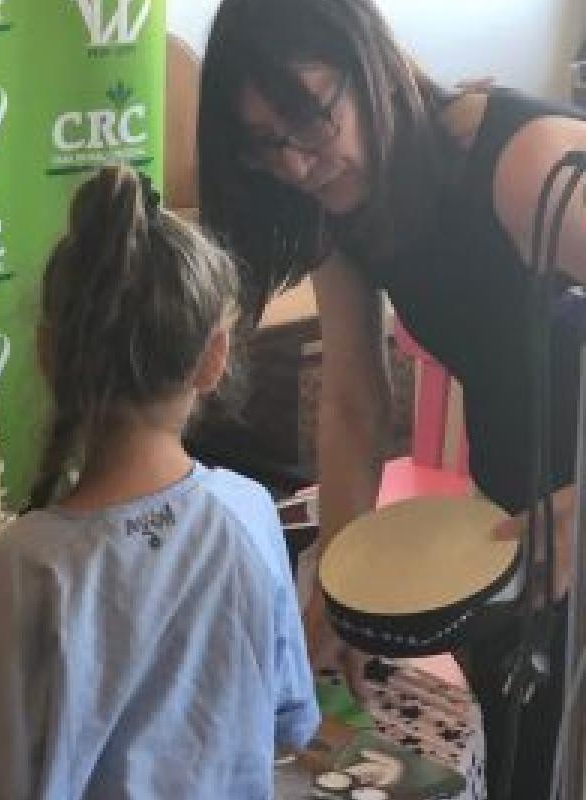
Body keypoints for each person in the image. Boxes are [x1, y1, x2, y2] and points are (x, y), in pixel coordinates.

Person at [195, 0, 586, 797]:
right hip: (514, 523)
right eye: (265, 143)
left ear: (368, 61)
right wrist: (341, 587)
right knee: (519, 755)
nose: (297, 163)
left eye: (310, 120)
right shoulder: (343, 204)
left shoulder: (526, 165)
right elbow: (352, 398)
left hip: (570, 506)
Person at [0, 164, 320, 800]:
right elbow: (291, 721)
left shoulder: (14, 569)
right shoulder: (249, 514)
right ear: (214, 358)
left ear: (48, 355)